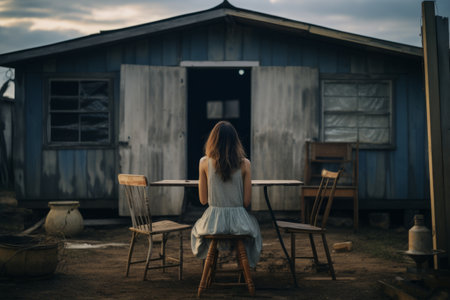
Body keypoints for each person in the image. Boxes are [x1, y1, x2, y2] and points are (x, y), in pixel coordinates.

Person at [191, 121, 262, 268]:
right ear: (236, 141)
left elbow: (203, 200)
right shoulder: (245, 164)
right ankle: (243, 268)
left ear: (213, 140)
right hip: (238, 223)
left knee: (197, 228)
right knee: (253, 226)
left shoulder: (204, 162)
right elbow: (246, 202)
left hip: (214, 224)